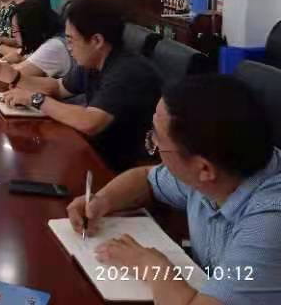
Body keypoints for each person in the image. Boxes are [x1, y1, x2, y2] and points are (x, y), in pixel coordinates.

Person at [67, 74, 281, 305]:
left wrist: (150, 265)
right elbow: (146, 179)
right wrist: (103, 200)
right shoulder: (219, 169)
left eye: (157, 140)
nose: (154, 147)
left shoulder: (269, 223)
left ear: (204, 169)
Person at [0, 0, 161, 171]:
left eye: (71, 40)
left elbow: (90, 122)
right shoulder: (93, 62)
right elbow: (57, 88)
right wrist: (15, 77)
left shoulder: (127, 71)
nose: (69, 47)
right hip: (97, 149)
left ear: (97, 41)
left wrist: (36, 99)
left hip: (124, 165)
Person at [0, 0, 72, 79]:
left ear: (29, 30)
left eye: (15, 29)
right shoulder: (43, 40)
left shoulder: (53, 46)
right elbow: (18, 55)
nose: (13, 34)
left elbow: (12, 75)